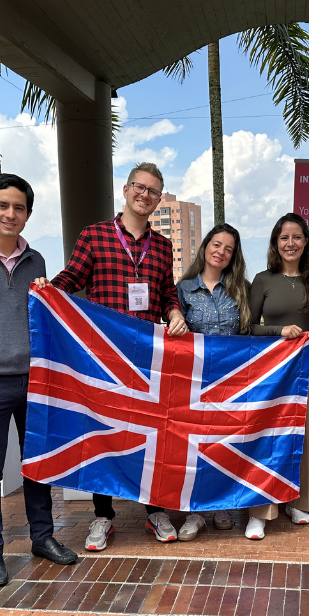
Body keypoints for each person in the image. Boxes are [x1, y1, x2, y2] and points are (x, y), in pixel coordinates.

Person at [51, 162, 189, 551]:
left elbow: (166, 294)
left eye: (153, 191)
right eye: (139, 187)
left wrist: (175, 313)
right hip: (106, 358)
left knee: (154, 433)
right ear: (126, 190)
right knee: (104, 434)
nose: (144, 195)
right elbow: (69, 282)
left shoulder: (162, 245)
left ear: (159, 200)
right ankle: (103, 516)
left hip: (148, 360)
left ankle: (155, 510)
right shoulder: (94, 236)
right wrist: (47, 289)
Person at [0, 173, 78, 587]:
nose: (10, 214)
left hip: (34, 381)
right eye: (3, 206)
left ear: (28, 215)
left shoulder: (37, 262)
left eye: (19, 208)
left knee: (37, 465)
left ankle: (42, 538)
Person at [246, 213, 309, 539]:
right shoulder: (263, 280)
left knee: (305, 434)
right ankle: (260, 511)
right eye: (284, 238)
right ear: (275, 244)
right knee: (267, 435)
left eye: (296, 237)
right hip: (272, 366)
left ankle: (299, 502)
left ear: (305, 242)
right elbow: (249, 327)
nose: (290, 243)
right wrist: (280, 330)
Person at [174, 223, 251, 539]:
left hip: (231, 381)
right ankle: (194, 511)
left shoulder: (242, 289)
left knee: (222, 443)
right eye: (217, 244)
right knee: (193, 445)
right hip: (193, 380)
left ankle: (219, 505)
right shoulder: (183, 289)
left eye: (228, 248)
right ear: (206, 246)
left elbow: (249, 334)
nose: (221, 251)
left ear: (233, 256)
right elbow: (172, 334)